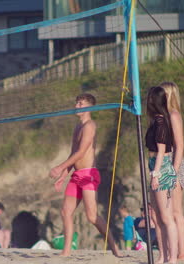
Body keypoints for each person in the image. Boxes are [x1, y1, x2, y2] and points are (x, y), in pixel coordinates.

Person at [49, 93, 122, 257]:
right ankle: (67, 250)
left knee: (92, 216)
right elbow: (73, 153)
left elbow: (81, 152)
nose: (77, 106)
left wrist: (59, 168)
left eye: (81, 104)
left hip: (88, 175)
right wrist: (64, 175)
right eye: (76, 103)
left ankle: (114, 247)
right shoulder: (77, 127)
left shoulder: (90, 126)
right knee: (65, 211)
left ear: (90, 107)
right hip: (76, 176)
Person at [145, 86, 178, 264]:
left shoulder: (160, 121)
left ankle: (172, 258)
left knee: (166, 217)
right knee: (156, 217)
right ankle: (163, 256)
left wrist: (156, 174)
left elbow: (162, 149)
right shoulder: (155, 120)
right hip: (154, 164)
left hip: (162, 166)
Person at [160, 81, 184, 260]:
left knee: (176, 211)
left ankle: (183, 252)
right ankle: (175, 251)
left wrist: (174, 170)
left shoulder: (173, 115)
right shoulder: (163, 115)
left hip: (174, 163)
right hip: (165, 163)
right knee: (167, 212)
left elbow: (180, 145)